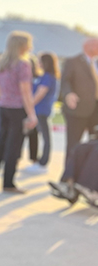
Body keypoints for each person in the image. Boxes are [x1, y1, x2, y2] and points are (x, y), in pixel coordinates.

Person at [0, 32, 37, 193]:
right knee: (14, 146)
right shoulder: (23, 65)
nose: (31, 47)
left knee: (1, 142)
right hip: (17, 109)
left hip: (3, 106)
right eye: (29, 43)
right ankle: (8, 183)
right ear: (22, 46)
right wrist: (32, 114)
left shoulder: (0, 63)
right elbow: (25, 92)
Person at [58, 38, 98, 166]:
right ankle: (67, 180)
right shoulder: (73, 62)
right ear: (87, 46)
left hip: (95, 111)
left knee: (95, 144)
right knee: (73, 145)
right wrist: (69, 94)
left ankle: (90, 179)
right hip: (77, 109)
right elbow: (65, 81)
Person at [23, 52, 60, 174]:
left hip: (41, 111)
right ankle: (38, 160)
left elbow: (39, 94)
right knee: (39, 136)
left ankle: (43, 163)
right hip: (39, 110)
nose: (38, 64)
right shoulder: (44, 76)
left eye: (40, 61)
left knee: (45, 137)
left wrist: (29, 106)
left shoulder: (47, 77)